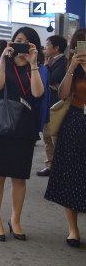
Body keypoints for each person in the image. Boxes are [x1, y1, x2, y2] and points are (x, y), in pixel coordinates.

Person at [0, 27, 48, 241]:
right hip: (0, 126)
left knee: (19, 178)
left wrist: (34, 64)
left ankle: (16, 220)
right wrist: (2, 59)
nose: (21, 45)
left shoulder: (37, 68)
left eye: (27, 42)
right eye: (17, 41)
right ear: (10, 43)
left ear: (34, 47)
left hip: (24, 128)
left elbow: (38, 93)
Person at [43, 31, 86, 247]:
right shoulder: (73, 66)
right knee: (70, 175)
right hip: (75, 123)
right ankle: (73, 229)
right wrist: (72, 68)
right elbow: (62, 94)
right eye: (79, 46)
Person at [36, 34, 69, 177]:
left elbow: (53, 79)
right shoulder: (49, 62)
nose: (45, 47)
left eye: (48, 45)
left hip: (58, 105)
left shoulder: (64, 62)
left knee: (56, 137)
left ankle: (59, 166)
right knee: (47, 137)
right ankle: (50, 165)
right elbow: (45, 81)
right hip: (48, 103)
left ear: (56, 48)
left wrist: (46, 67)